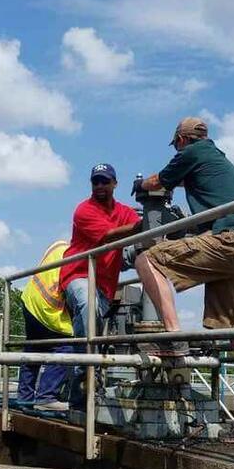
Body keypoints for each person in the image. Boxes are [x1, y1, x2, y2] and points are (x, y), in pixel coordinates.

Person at [132, 117, 234, 444]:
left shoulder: (193, 152)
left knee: (146, 258)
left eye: (176, 143)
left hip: (228, 241)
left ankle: (172, 336)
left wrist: (140, 186)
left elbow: (157, 181)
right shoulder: (220, 160)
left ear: (180, 139)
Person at [59, 164, 141, 409]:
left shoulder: (124, 211)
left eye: (104, 181)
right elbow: (108, 237)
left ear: (115, 184)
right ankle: (83, 392)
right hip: (79, 276)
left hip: (104, 286)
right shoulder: (84, 210)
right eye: (96, 182)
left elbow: (139, 230)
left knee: (89, 332)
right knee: (88, 307)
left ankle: (83, 395)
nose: (100, 186)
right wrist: (141, 226)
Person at [17, 240, 74, 411]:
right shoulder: (77, 257)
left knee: (34, 348)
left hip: (29, 301)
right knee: (67, 347)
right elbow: (72, 292)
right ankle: (46, 397)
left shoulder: (59, 245)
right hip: (48, 308)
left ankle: (24, 398)